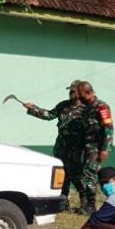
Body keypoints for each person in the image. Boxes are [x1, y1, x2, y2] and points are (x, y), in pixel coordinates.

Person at [23, 81, 86, 209]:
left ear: (80, 92)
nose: (71, 93)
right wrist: (33, 108)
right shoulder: (63, 105)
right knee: (61, 176)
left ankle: (86, 205)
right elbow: (49, 115)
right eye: (70, 91)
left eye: (74, 91)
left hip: (77, 149)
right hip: (61, 147)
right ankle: (63, 205)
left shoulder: (87, 109)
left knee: (78, 177)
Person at [78, 81, 114, 215]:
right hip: (87, 146)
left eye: (81, 95)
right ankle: (88, 204)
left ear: (89, 92)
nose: (79, 98)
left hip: (97, 147)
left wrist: (105, 148)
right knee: (87, 174)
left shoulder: (102, 107)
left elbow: (108, 128)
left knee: (89, 174)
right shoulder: (87, 107)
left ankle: (91, 206)